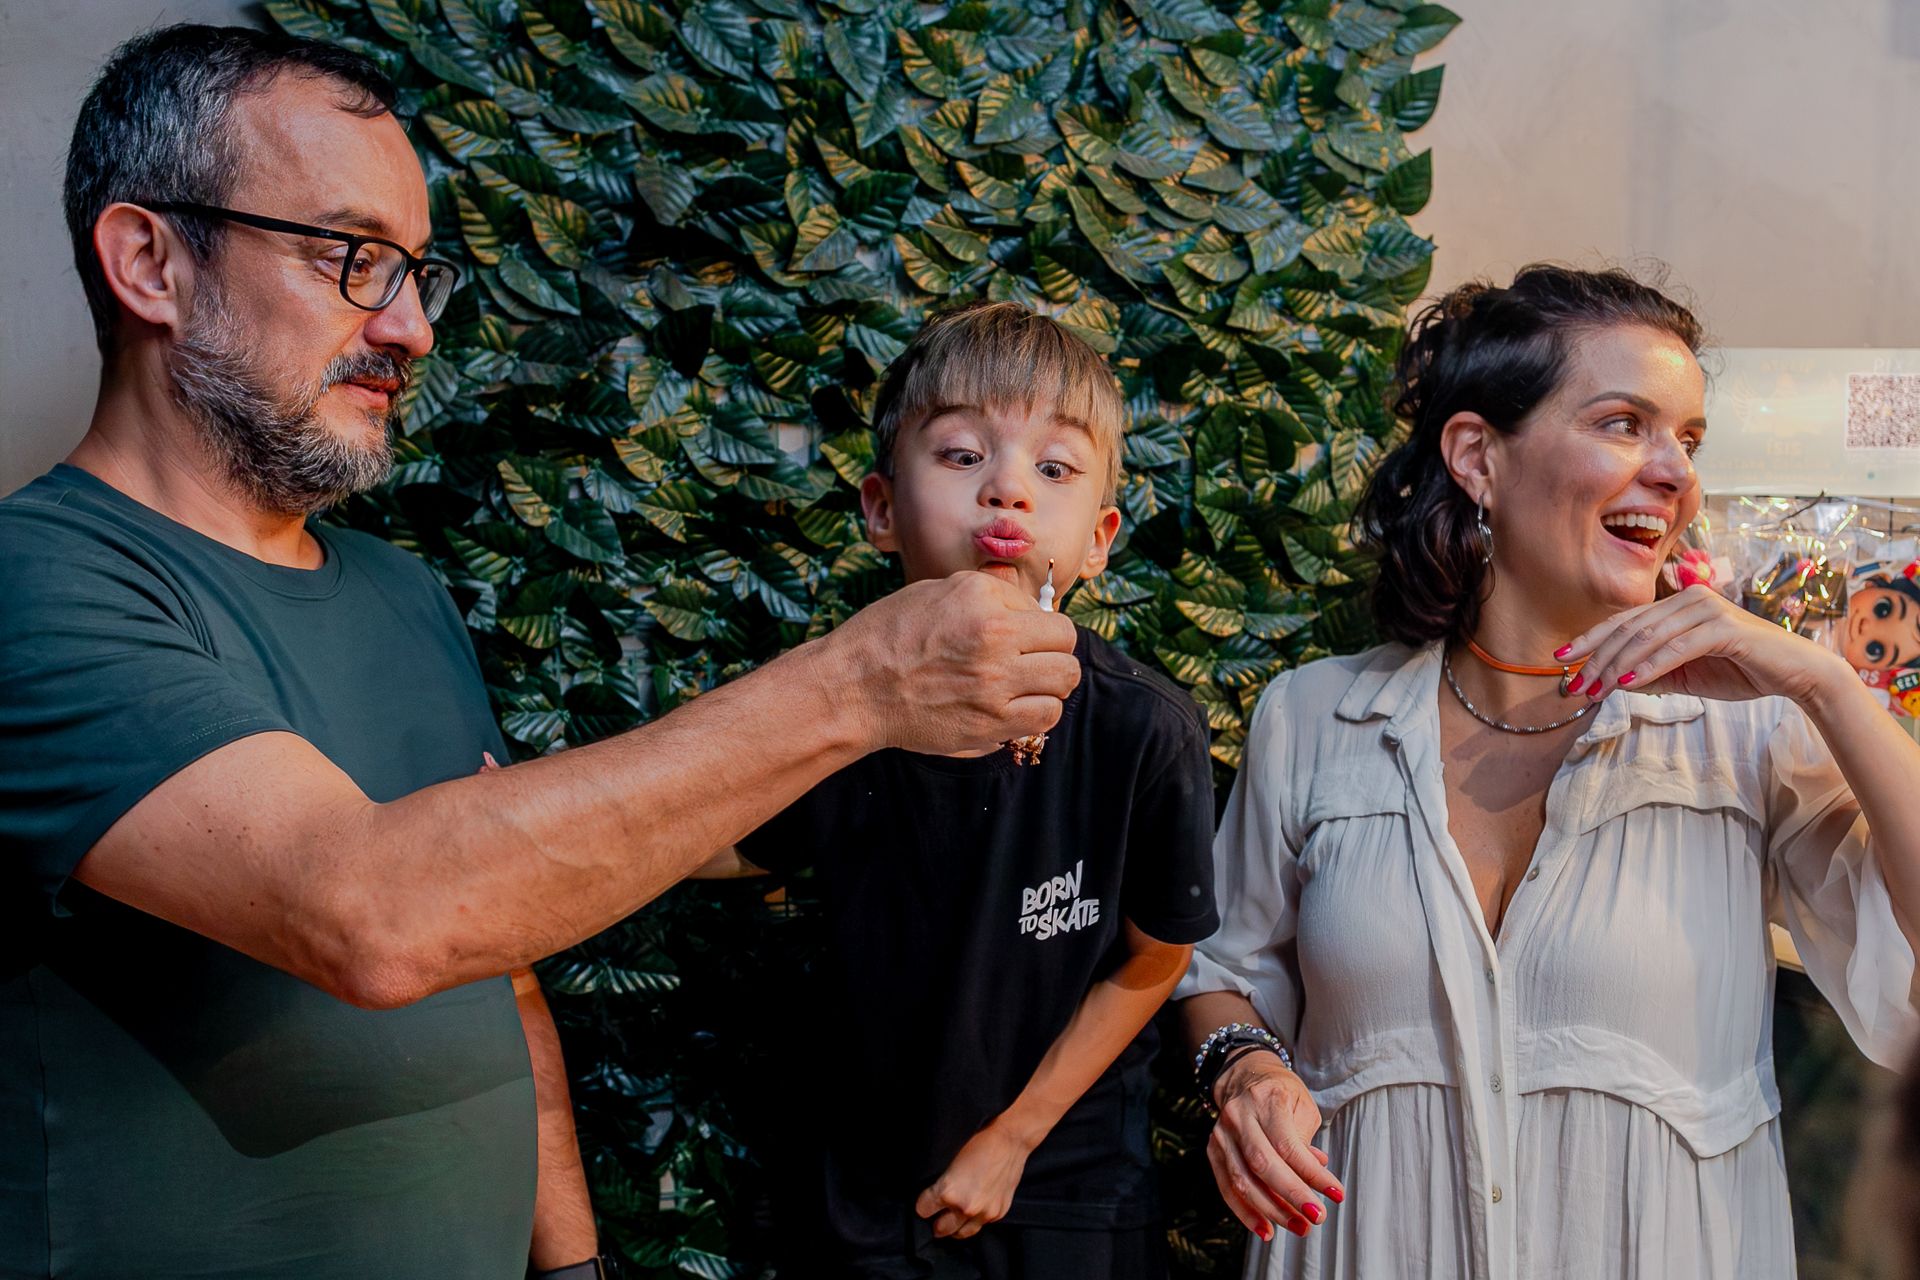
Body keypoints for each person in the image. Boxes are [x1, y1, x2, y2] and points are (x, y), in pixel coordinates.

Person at [0, 26, 1079, 1280]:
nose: (410, 327)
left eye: (416, 272)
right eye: (352, 257)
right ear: (151, 262)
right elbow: (370, 912)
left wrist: (570, 1264)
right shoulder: (36, 579)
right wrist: (859, 683)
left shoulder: (400, 590)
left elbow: (493, 954)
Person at [1174, 265, 1920, 1279]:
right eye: (1625, 424)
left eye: (1689, 440)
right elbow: (1224, 973)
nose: (1677, 474)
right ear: (1477, 456)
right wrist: (1244, 1071)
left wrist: (1826, 684)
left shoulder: (1750, 731)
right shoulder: (1313, 716)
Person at [695, 302, 1220, 1278]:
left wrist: (1012, 1138)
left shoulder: (1145, 728)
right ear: (882, 509)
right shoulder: (833, 705)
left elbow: (1157, 957)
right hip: (865, 1189)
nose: (1007, 488)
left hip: (1066, 1191)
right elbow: (737, 839)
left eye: (1054, 469)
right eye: (962, 454)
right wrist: (560, 819)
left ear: (1099, 537)